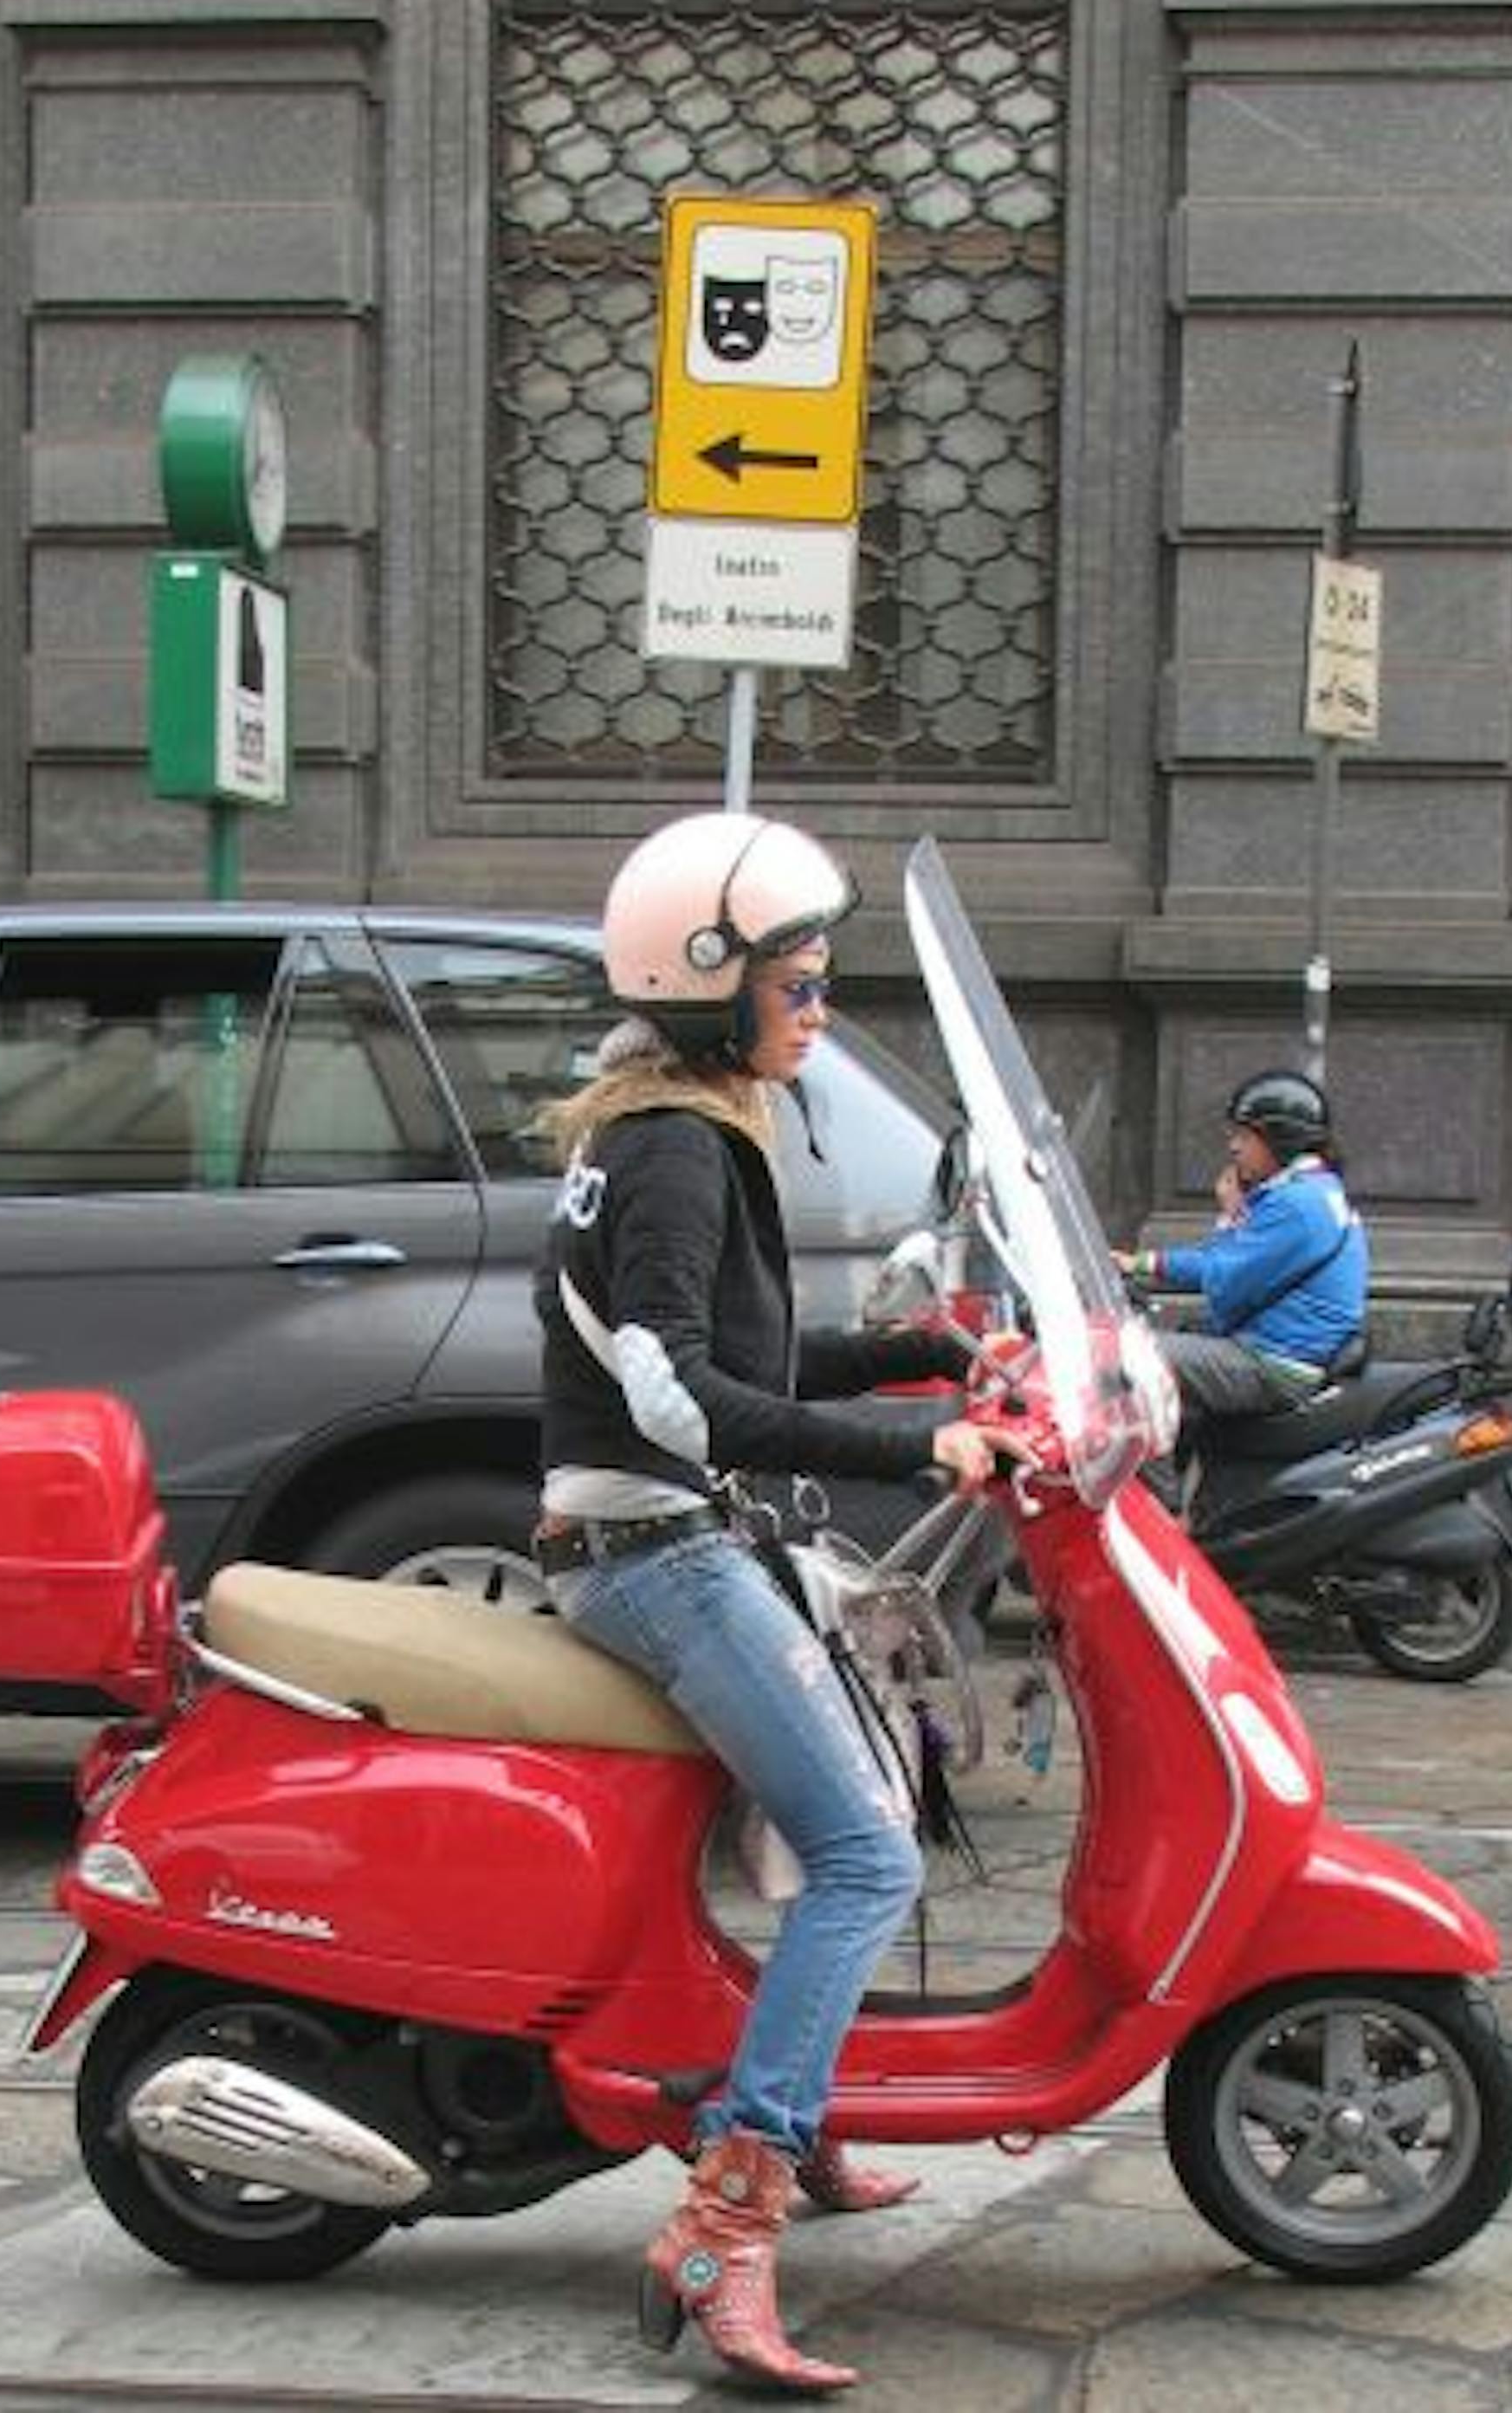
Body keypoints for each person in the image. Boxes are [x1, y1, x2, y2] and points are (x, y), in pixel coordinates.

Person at [533, 811, 1035, 2396]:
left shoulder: (673, 1123)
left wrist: (927, 1353)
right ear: (710, 988)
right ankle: (728, 2217)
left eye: (823, 977)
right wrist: (921, 1443)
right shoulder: (675, 1147)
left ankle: (792, 2123)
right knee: (865, 1852)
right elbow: (684, 1402)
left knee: (873, 1799)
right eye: (799, 982)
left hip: (670, 1537)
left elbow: (739, 1369)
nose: (817, 1007)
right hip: (652, 1557)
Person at [1114, 1068, 1368, 1434]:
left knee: (1125, 1362)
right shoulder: (1313, 1190)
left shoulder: (1298, 1204)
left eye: (1245, 1137)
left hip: (1275, 1363)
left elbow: (1222, 1276)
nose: (1234, 1147)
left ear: (1281, 1140)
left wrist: (1139, 1264)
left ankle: (1152, 1492)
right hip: (1280, 1350)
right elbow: (1238, 1267)